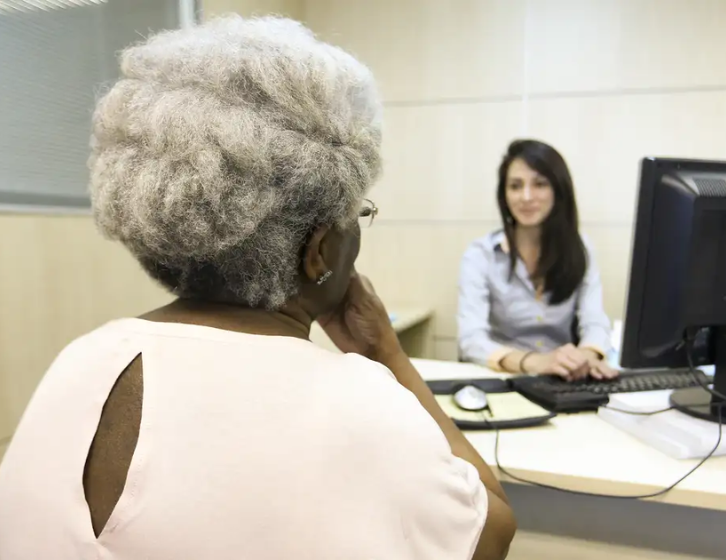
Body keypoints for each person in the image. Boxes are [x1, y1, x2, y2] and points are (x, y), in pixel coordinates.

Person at [0, 16, 516, 560]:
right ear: (318, 248)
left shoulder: (81, 363)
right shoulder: (365, 403)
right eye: (357, 214)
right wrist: (386, 352)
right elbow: (492, 530)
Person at [458, 139, 617, 381]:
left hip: (564, 378)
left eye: (540, 184)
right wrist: (535, 362)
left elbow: (594, 321)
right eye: (515, 186)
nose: (526, 196)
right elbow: (471, 339)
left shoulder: (580, 248)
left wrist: (586, 356)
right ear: (504, 194)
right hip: (506, 378)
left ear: (558, 190)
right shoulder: (481, 254)